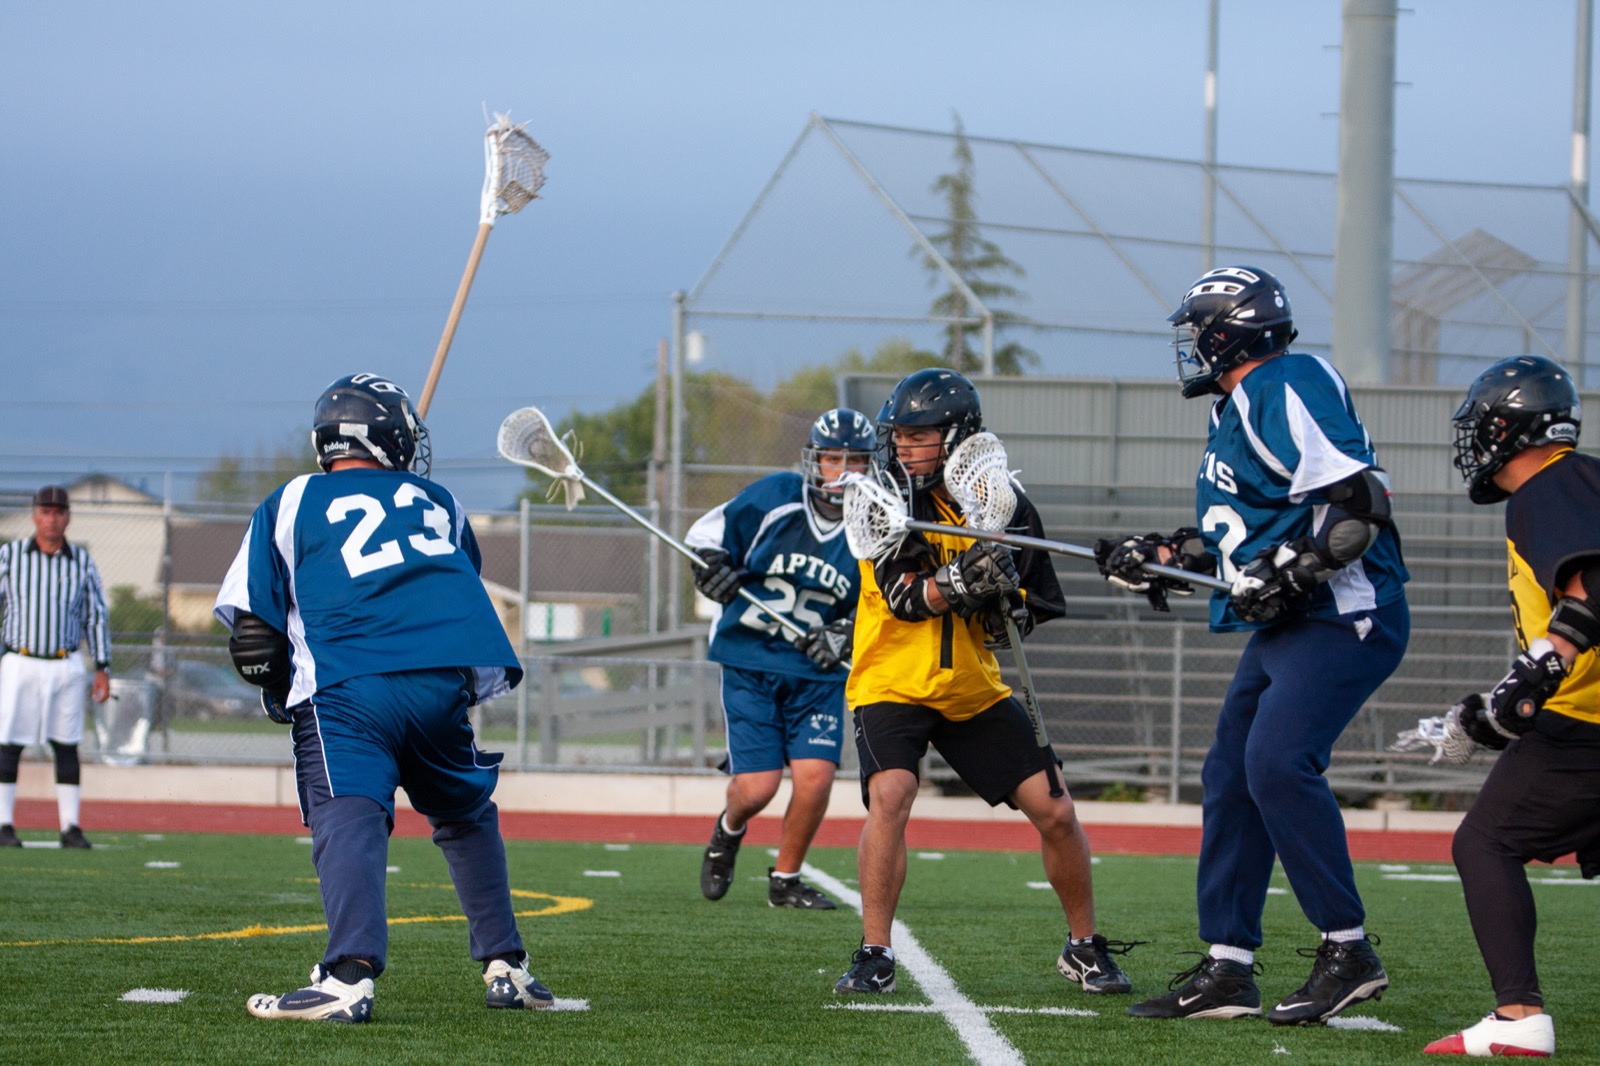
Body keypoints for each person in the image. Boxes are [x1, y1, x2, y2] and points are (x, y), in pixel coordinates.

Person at [1098, 266, 1409, 1024]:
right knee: (1232, 774)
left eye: (1196, 328)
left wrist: (1299, 573)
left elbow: (1359, 505)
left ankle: (1348, 949)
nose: (1190, 344)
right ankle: (1229, 967)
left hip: (1344, 612)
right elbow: (1248, 537)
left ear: (1225, 330)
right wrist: (1170, 555)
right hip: (1290, 624)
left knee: (1275, 761)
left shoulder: (1289, 380)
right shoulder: (1233, 411)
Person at [214, 372, 553, 1022]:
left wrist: (281, 688)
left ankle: (348, 975)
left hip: (351, 681)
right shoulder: (440, 501)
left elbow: (252, 639)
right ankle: (507, 965)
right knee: (466, 813)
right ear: (389, 435)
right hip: (440, 677)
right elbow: (456, 583)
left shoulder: (290, 501)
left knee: (350, 813)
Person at [834, 367, 1138, 998]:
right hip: (892, 679)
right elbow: (907, 599)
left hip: (972, 687)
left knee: (1055, 809)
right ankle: (874, 951)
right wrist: (961, 583)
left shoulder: (1003, 503)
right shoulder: (882, 500)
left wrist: (1005, 602)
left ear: (958, 435)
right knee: (891, 794)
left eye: (920, 436)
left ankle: (1083, 946)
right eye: (901, 435)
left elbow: (1033, 609)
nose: (905, 447)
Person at [1419, 355, 1597, 1059]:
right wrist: (1503, 708)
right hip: (1578, 720)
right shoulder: (1578, 483)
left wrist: (1537, 670)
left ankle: (1519, 1015)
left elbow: (1594, 592)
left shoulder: (1550, 485)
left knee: (1485, 841)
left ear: (1506, 427)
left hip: (1586, 731)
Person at [685, 408, 877, 910]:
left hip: (816, 670)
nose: (844, 470)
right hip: (752, 660)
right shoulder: (776, 497)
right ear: (815, 461)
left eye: (856, 460)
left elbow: (884, 603)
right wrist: (712, 569)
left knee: (815, 779)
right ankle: (729, 831)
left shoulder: (876, 524)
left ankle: (785, 880)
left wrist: (846, 633)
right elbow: (705, 537)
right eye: (833, 458)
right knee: (757, 788)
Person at [0, 485, 112, 850]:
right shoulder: (11, 556)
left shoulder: (81, 561)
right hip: (20, 659)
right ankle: (3, 824)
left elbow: (96, 615)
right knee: (8, 743)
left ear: (68, 517)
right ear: (34, 514)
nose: (52, 518)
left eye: (58, 512)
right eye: (45, 511)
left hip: (65, 662)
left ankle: (70, 826)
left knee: (66, 744)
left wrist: (102, 666)